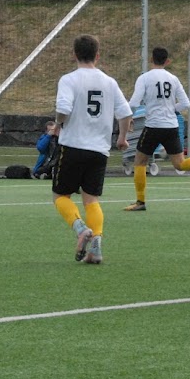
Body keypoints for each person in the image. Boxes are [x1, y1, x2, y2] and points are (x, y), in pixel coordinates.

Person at [52, 34, 132, 264]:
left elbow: (63, 109)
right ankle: (95, 249)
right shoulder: (109, 82)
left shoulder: (69, 80)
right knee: (92, 200)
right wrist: (122, 138)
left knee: (60, 195)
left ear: (74, 54)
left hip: (73, 145)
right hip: (99, 150)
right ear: (97, 55)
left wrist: (58, 125)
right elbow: (125, 113)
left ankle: (80, 229)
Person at [123, 46, 190, 212]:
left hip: (153, 126)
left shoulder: (145, 78)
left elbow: (134, 103)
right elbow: (186, 103)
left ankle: (140, 202)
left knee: (139, 161)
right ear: (167, 61)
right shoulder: (173, 79)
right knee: (179, 164)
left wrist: (129, 118)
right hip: (171, 127)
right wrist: (171, 109)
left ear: (151, 59)